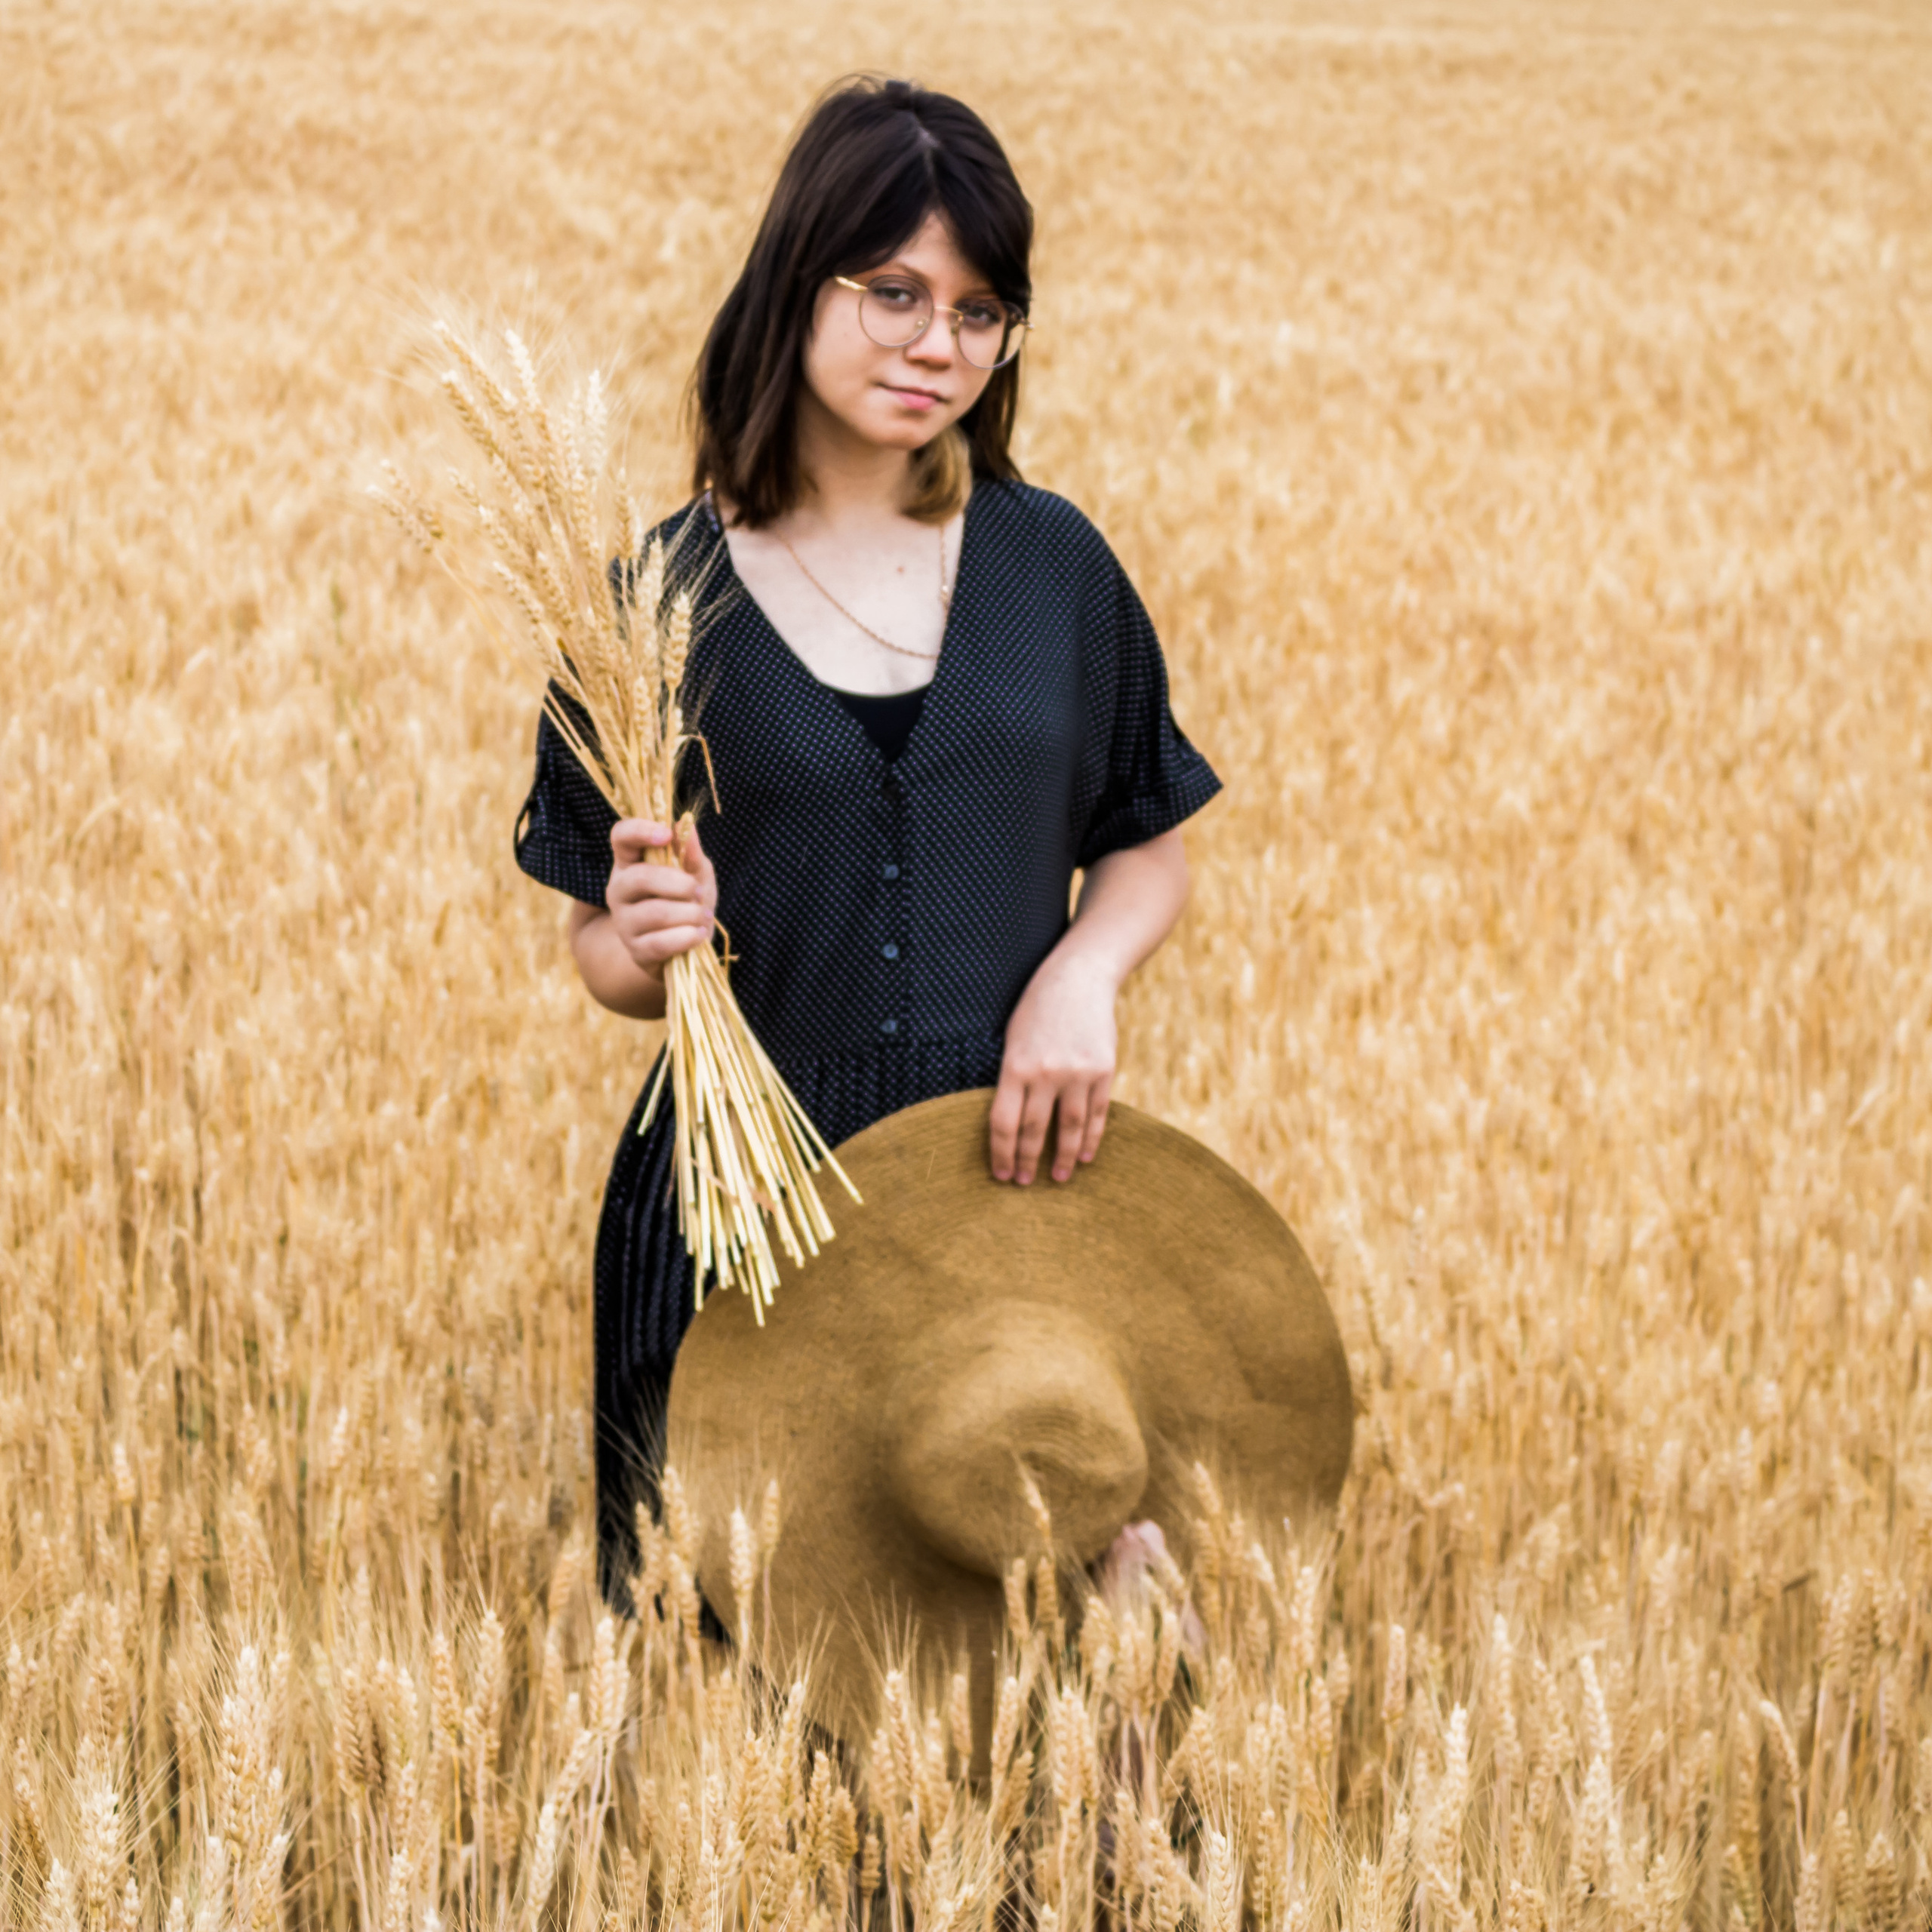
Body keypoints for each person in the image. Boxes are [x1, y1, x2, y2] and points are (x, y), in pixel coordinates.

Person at [512, 75, 1223, 1601]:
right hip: (740, 1212)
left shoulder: (1056, 567)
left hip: (1011, 1195)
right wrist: (644, 949)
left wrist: (1082, 976)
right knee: (747, 1736)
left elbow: (1146, 843)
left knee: (1057, 1684)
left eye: (980, 311)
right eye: (894, 291)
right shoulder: (650, 601)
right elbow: (597, 942)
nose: (936, 344)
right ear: (796, 280)